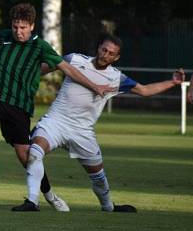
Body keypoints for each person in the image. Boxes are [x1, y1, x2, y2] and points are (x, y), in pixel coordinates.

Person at [0, 3, 114, 211]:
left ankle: (49, 195)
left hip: (19, 106)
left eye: (23, 28)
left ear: (32, 26)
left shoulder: (41, 47)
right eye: (15, 27)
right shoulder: (5, 36)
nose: (18, 32)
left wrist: (95, 86)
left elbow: (68, 70)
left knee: (26, 156)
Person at [24, 33, 184, 212]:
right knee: (34, 153)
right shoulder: (74, 59)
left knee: (98, 177)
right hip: (55, 122)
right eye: (104, 49)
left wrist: (173, 82)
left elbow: (145, 90)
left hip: (82, 131)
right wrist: (24, 73)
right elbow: (42, 68)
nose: (105, 55)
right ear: (98, 48)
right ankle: (32, 201)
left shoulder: (116, 78)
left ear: (117, 57)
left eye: (111, 53)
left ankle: (108, 207)